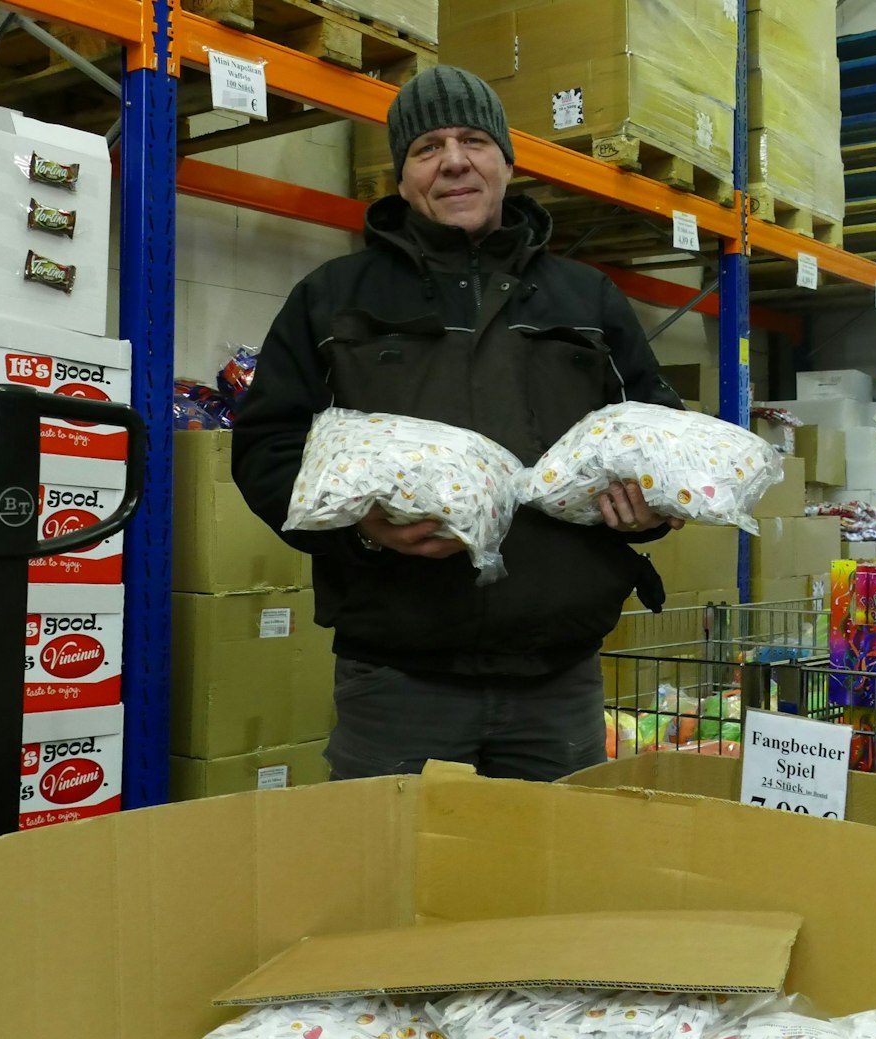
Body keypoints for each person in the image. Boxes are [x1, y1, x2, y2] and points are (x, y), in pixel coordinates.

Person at [232, 65, 687, 783]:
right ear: (403, 173)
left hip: (558, 682)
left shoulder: (587, 298)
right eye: (427, 146)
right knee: (391, 887)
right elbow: (267, 446)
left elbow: (661, 435)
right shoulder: (332, 300)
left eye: (473, 140)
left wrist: (651, 511)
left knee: (553, 887)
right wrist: (363, 527)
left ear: (507, 161)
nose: (453, 160)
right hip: (397, 681)